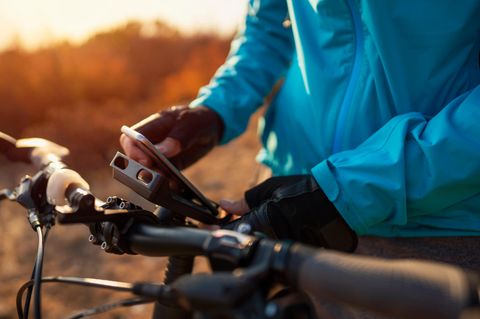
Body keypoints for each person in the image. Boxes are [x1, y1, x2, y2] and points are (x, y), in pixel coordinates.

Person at [120, 1, 480, 250]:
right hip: (286, 194)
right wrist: (214, 110)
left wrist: (349, 189)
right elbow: (267, 29)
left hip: (441, 220)